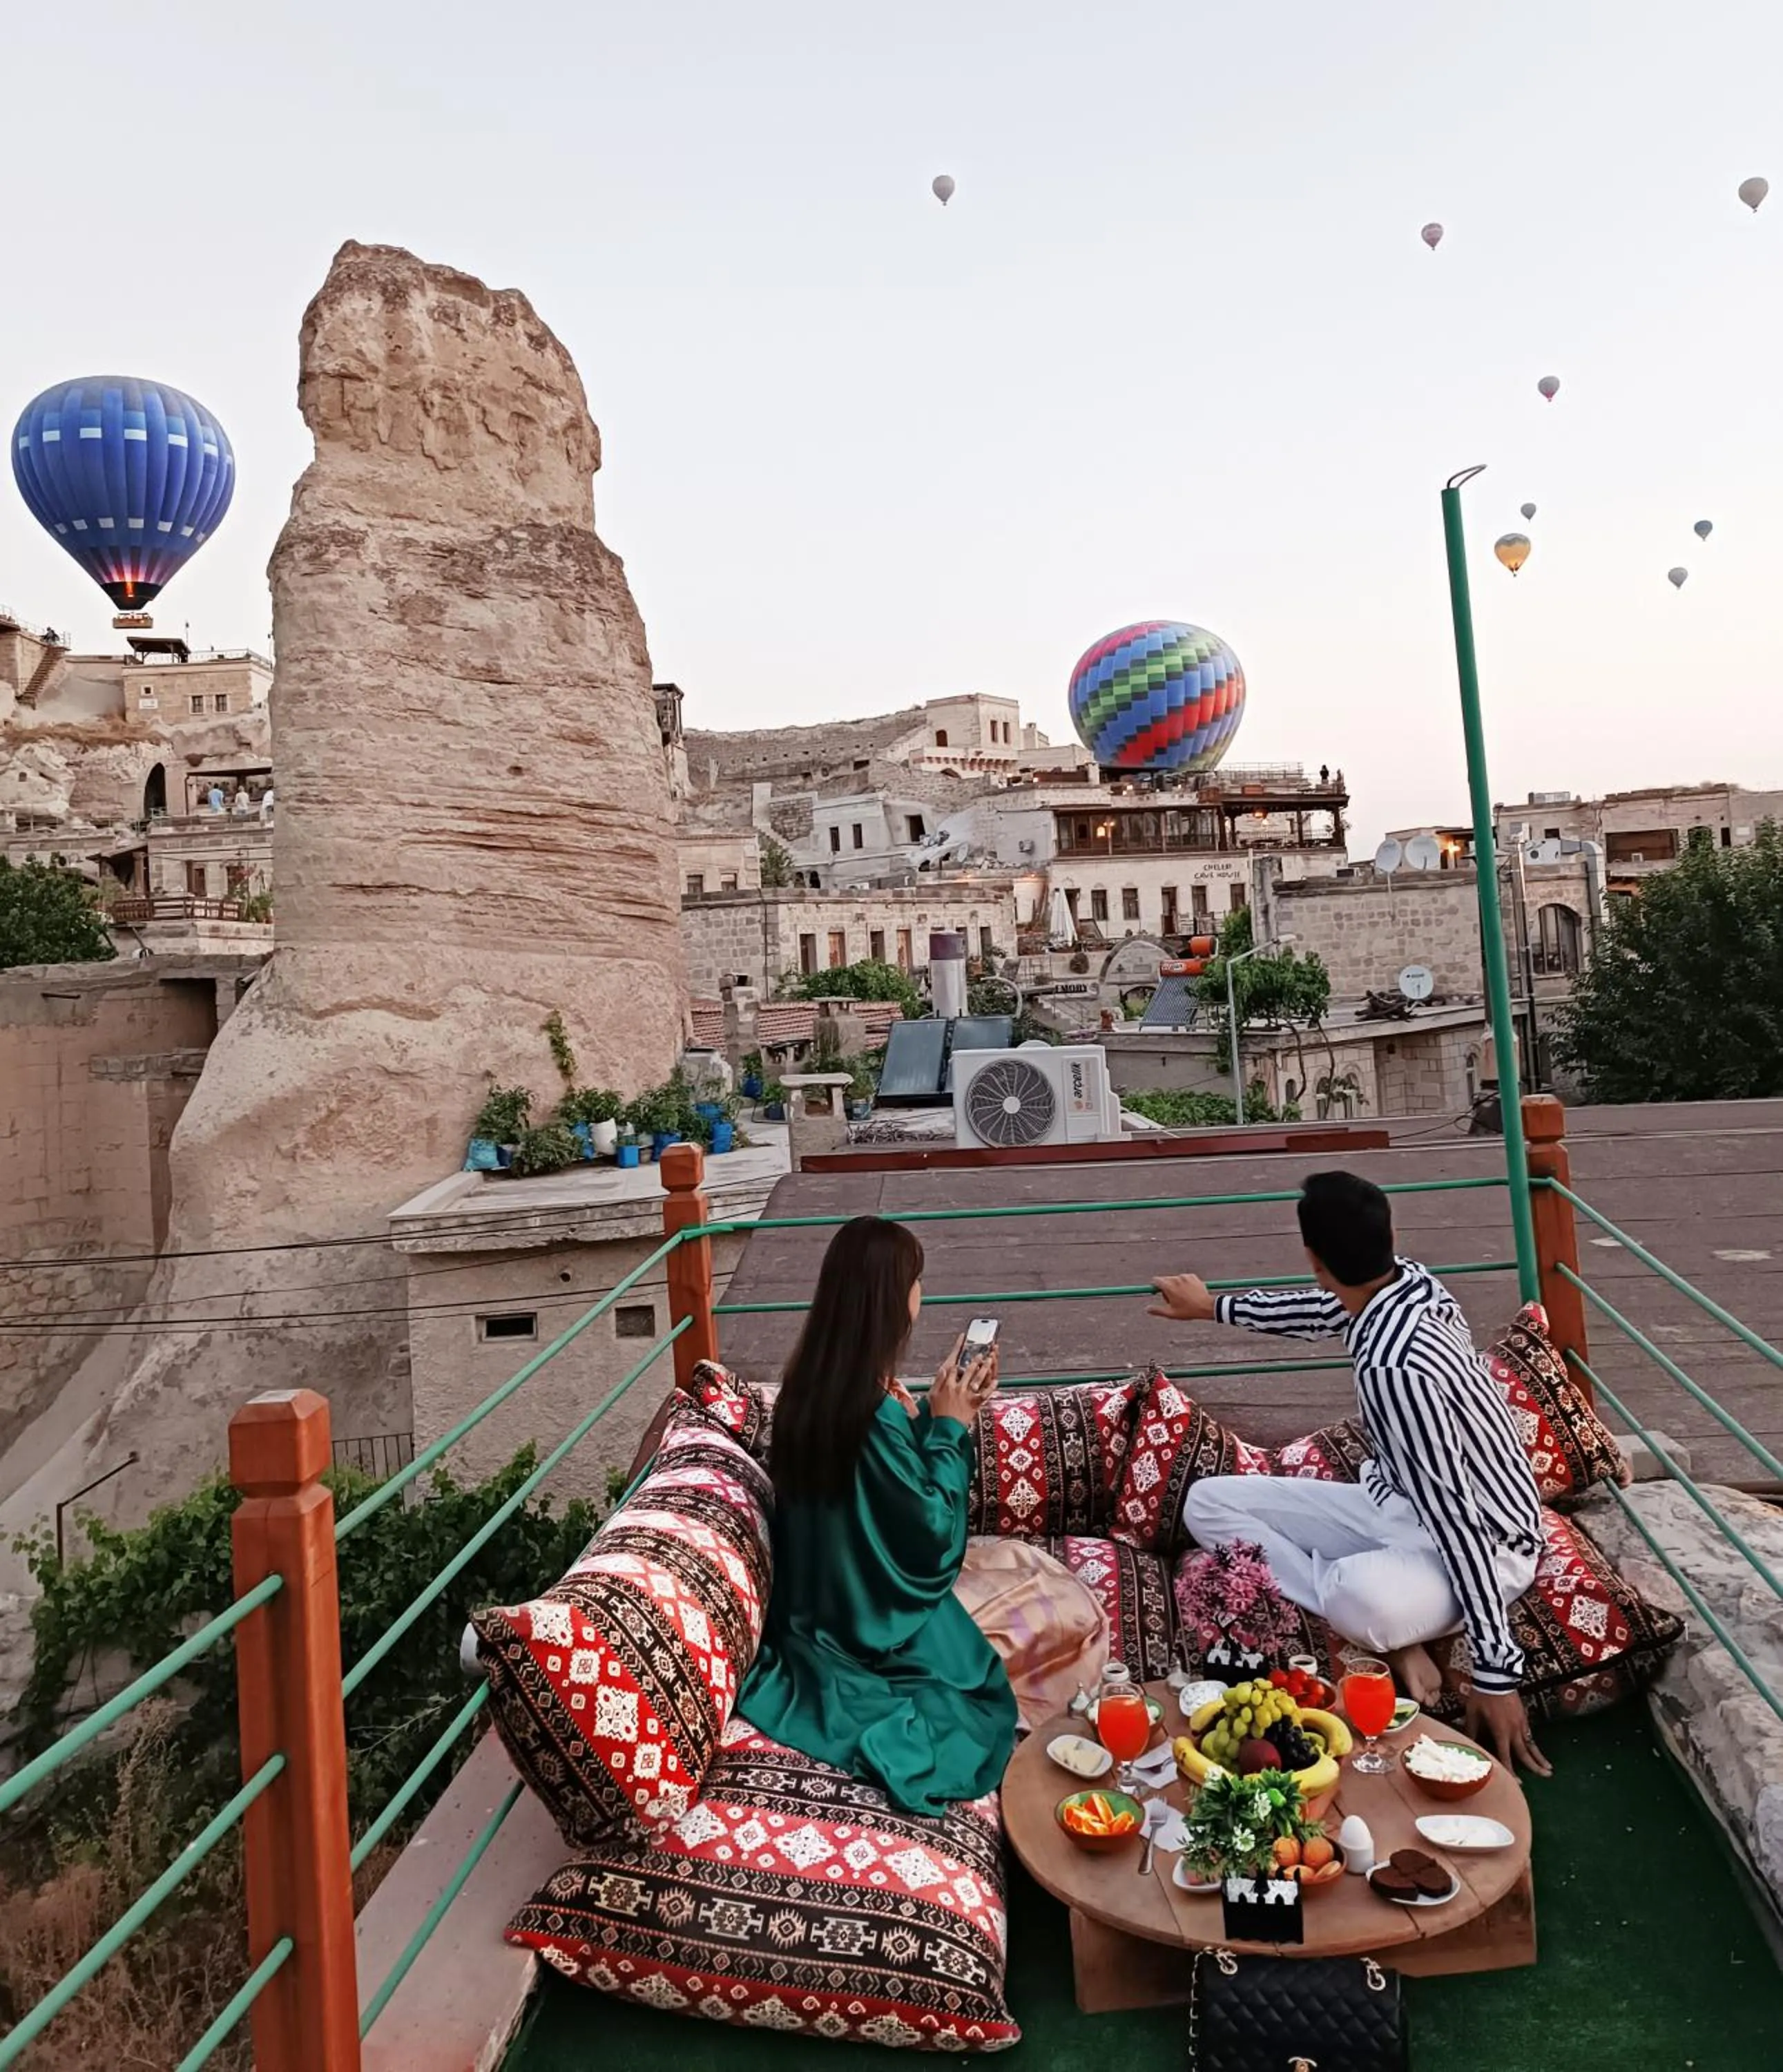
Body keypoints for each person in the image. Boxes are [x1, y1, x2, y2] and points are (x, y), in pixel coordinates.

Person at [1148, 1171, 1550, 1776]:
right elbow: (1325, 1309)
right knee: (1207, 1502)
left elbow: (1457, 1519)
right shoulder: (1409, 1280)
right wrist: (1212, 1307)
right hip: (1399, 1503)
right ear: (1388, 1237)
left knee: (1356, 1600)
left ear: (1313, 1259)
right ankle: (1396, 1623)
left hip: (1491, 1542)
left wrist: (1497, 1673)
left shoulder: (1396, 1369)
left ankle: (1386, 1627)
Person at [738, 1217, 1019, 1814]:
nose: (922, 1294)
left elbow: (877, 1495)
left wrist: (938, 1410)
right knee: (1040, 1629)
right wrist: (951, 1427)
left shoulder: (811, 1388)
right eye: (916, 1281)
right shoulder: (870, 1413)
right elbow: (930, 1536)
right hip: (865, 1626)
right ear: (893, 1300)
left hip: (823, 1606)